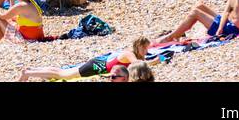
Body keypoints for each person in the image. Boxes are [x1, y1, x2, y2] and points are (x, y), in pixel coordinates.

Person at [20, 37, 150, 82]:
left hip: (98, 64)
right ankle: (28, 73)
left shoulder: (130, 52)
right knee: (62, 74)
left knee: (61, 71)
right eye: (145, 48)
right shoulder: (129, 54)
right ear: (138, 46)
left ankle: (32, 70)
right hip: (96, 66)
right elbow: (137, 65)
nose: (146, 51)